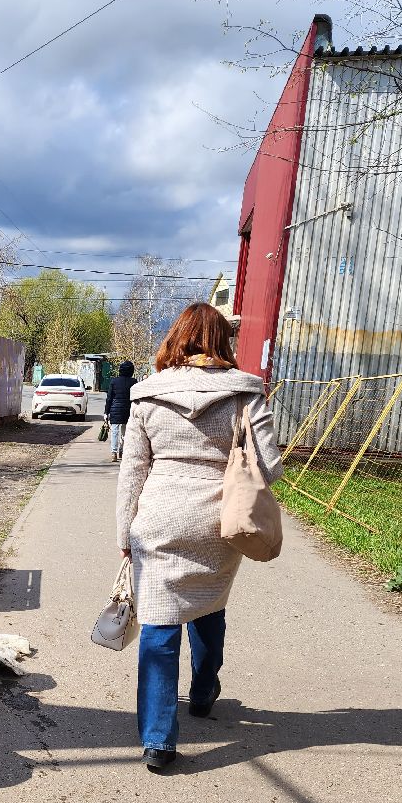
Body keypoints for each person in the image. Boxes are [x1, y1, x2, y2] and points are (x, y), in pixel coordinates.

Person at [114, 303, 283, 773]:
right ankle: (204, 691)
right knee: (208, 606)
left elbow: (132, 472)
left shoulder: (146, 396)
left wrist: (123, 531)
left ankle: (158, 740)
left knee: (159, 622)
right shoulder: (246, 393)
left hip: (160, 517)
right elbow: (270, 467)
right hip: (220, 521)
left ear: (178, 339)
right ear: (221, 340)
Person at [103, 360, 136, 461]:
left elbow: (109, 398)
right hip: (128, 410)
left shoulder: (114, 381)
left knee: (114, 432)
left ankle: (114, 453)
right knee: (125, 432)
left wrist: (106, 412)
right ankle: (122, 450)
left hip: (115, 409)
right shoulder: (134, 382)